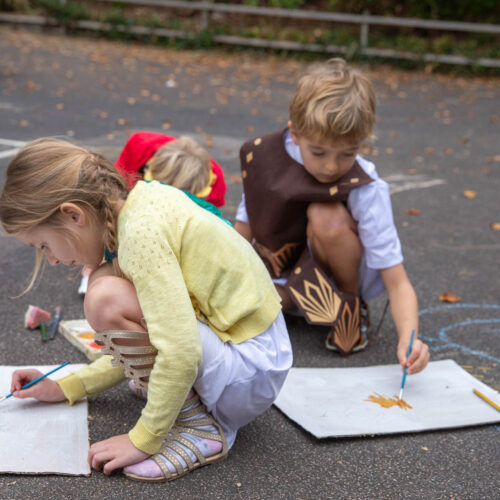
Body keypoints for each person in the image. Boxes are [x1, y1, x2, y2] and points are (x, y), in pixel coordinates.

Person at [0, 138, 292, 482]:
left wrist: (143, 439)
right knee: (105, 283)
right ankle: (181, 400)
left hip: (248, 374)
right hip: (249, 361)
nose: (51, 259)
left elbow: (180, 350)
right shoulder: (137, 208)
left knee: (105, 296)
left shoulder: (141, 234)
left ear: (74, 215)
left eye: (44, 244)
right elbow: (151, 333)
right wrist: (68, 386)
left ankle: (199, 428)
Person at [234, 58, 429, 374]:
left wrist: (410, 339)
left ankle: (350, 309)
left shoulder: (366, 186)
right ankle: (297, 306)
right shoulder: (265, 160)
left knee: (326, 215)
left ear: (361, 143)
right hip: (286, 280)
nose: (331, 167)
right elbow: (239, 235)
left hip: (336, 283)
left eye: (348, 153)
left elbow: (397, 281)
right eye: (319, 153)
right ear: (295, 134)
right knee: (234, 311)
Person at [78, 131, 228, 295]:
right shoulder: (138, 147)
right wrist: (102, 256)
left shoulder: (215, 183)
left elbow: (204, 230)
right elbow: (110, 202)